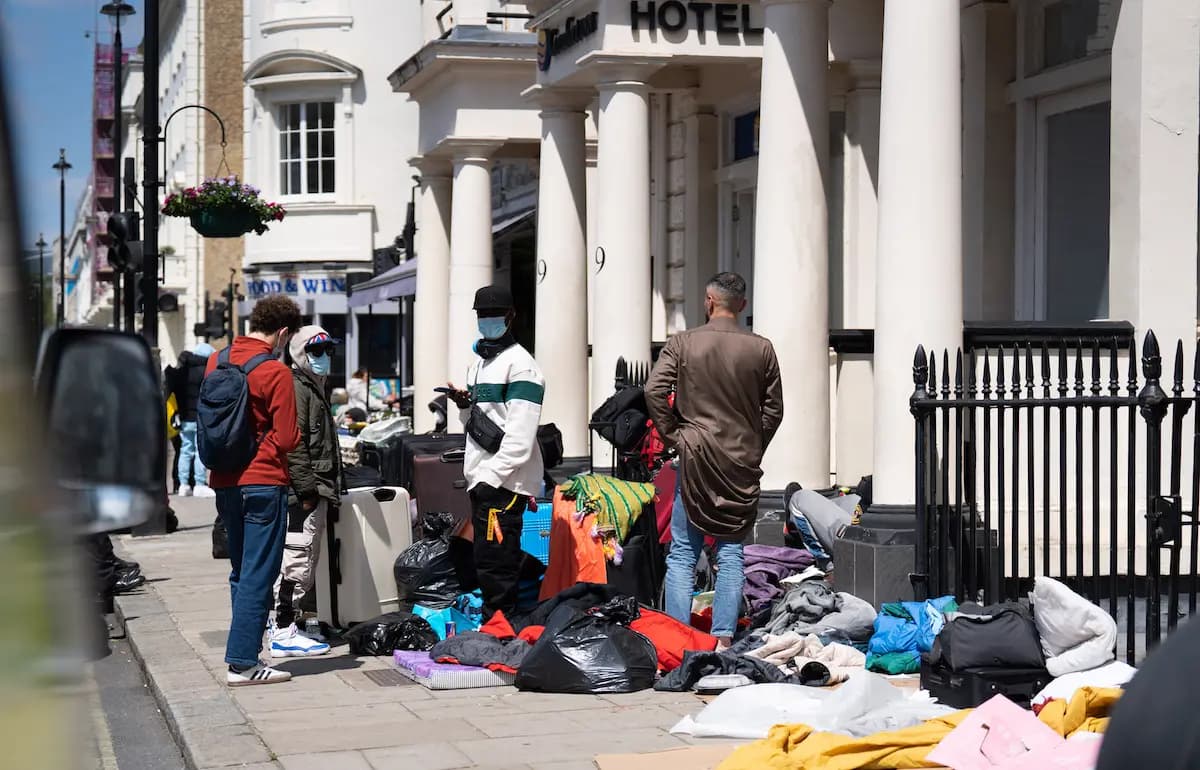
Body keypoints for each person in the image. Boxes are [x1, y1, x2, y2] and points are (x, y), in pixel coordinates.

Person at [644, 272, 784, 650]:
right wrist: (752, 443)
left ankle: (679, 638)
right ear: (742, 305)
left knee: (683, 553)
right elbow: (774, 410)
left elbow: (654, 390)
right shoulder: (762, 348)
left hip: (696, 455)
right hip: (739, 460)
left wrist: (676, 436)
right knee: (731, 552)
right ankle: (722, 638)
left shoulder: (683, 343)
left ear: (709, 301)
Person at [205, 295, 303, 687]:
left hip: (225, 480)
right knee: (259, 574)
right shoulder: (275, 372)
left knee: (241, 571)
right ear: (282, 332)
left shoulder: (218, 360)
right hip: (263, 481)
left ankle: (247, 653)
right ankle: (243, 661)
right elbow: (288, 437)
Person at [445, 285, 545, 620]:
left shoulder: (522, 366)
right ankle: (496, 628)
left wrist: (492, 478)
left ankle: (500, 632)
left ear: (511, 316)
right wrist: (463, 406)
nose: (486, 320)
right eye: (481, 315)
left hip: (505, 482)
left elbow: (520, 434)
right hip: (482, 478)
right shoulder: (479, 365)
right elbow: (479, 421)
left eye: (493, 314)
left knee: (498, 562)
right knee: (487, 560)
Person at [267, 326, 341, 658]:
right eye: (317, 351)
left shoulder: (313, 387)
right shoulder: (297, 388)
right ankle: (282, 629)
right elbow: (293, 444)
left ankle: (287, 625)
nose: (325, 357)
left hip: (314, 487)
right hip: (303, 492)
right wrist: (308, 490)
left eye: (329, 350)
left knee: (303, 557)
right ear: (299, 353)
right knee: (298, 556)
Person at [171, 342, 216, 496]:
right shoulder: (207, 372)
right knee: (199, 451)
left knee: (185, 450)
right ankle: (199, 483)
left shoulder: (184, 371)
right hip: (201, 417)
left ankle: (183, 484)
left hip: (185, 417)